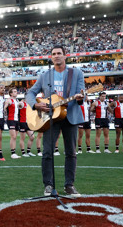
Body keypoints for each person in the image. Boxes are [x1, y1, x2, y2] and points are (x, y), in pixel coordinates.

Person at [26, 45, 84, 198]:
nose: (56, 56)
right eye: (54, 54)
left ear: (65, 56)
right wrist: (35, 104)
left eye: (59, 53)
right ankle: (48, 185)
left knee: (71, 152)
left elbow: (81, 93)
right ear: (51, 57)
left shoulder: (76, 73)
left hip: (70, 115)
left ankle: (69, 185)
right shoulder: (45, 75)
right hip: (50, 118)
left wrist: (81, 97)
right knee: (47, 152)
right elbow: (30, 92)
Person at [5, 88, 21, 159]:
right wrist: (6, 106)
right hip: (11, 119)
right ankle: (12, 153)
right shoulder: (9, 100)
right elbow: (4, 107)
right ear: (11, 93)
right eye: (14, 92)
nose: (16, 92)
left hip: (16, 120)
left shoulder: (17, 100)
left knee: (15, 137)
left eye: (16, 91)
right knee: (13, 136)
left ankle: (14, 152)